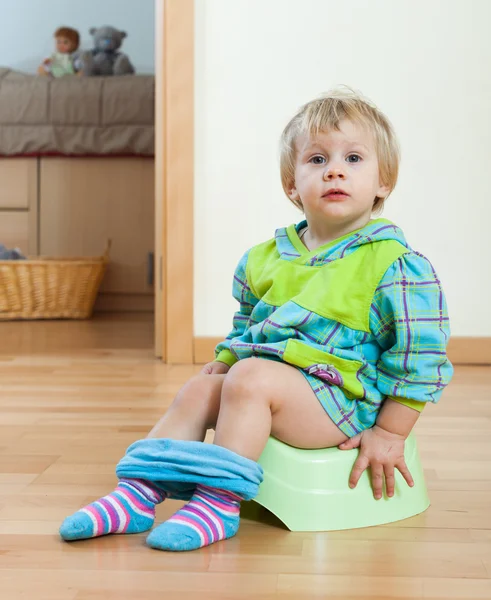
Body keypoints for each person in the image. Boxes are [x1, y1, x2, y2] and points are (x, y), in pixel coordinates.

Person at [59, 88, 453, 552]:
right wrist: (224, 362)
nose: (335, 170)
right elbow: (247, 324)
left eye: (353, 158)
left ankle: (219, 503)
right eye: (317, 159)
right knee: (201, 387)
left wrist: (389, 431)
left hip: (344, 401)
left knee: (248, 378)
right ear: (292, 185)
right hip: (270, 381)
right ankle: (136, 494)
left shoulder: (395, 264)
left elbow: (420, 359)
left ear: (383, 181)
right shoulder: (265, 257)